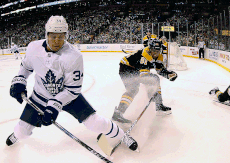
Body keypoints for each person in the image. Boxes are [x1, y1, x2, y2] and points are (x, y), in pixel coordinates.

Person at [6, 15, 139, 152]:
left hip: (68, 97)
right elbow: (26, 67)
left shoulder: (74, 56)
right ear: (46, 34)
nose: (57, 41)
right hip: (40, 96)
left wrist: (54, 104)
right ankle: (17, 135)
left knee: (95, 123)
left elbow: (72, 89)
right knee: (22, 132)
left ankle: (123, 136)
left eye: (61, 36)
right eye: (53, 36)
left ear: (66, 35)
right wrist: (20, 80)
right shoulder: (33, 48)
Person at [112, 38, 178, 124]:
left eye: (157, 51)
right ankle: (118, 113)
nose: (155, 53)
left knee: (153, 80)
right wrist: (151, 92)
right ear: (150, 49)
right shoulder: (144, 56)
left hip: (135, 69)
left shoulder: (159, 56)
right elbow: (144, 76)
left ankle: (159, 105)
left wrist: (169, 75)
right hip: (126, 67)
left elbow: (159, 70)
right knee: (133, 89)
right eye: (153, 51)